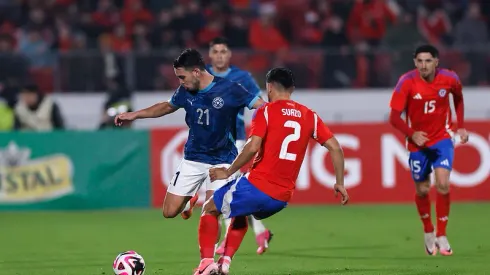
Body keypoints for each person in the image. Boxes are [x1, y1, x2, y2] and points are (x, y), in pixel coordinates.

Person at [192, 67, 349, 275]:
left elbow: (253, 146)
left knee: (210, 209)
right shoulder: (309, 116)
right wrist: (339, 182)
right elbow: (335, 147)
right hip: (281, 198)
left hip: (258, 185)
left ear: (269, 87)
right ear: (292, 89)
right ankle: (225, 264)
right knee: (240, 212)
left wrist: (228, 172)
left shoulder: (266, 111)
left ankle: (205, 264)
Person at [115, 48, 265, 221]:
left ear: (196, 72)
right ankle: (190, 200)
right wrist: (135, 115)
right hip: (193, 159)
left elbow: (261, 106)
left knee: (211, 213)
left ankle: (211, 247)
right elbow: (167, 106)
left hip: (222, 160)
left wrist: (281, 114)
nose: (180, 82)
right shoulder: (185, 91)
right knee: (169, 212)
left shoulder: (229, 89)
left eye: (182, 77)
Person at [389, 44, 468, 256]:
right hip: (417, 144)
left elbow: (458, 98)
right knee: (422, 190)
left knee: (443, 184)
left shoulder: (450, 79)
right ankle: (428, 230)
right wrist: (411, 133)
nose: (424, 65)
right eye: (420, 61)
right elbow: (394, 117)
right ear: (415, 62)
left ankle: (442, 234)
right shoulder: (406, 82)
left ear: (436, 62)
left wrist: (459, 125)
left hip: (442, 138)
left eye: (428, 61)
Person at [206, 36, 273, 255]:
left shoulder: (241, 77)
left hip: (235, 140)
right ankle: (261, 231)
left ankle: (227, 238)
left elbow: (259, 104)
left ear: (229, 54)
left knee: (227, 191)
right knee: (233, 192)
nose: (219, 55)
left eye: (223, 51)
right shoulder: (203, 76)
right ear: (210, 54)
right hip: (209, 142)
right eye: (215, 51)